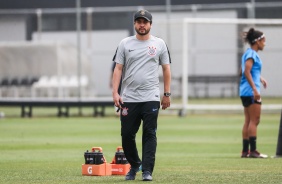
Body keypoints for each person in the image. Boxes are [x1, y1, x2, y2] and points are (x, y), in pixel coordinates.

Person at [112, 9, 171, 181]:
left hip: (151, 97)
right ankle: (135, 164)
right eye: (139, 21)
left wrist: (166, 94)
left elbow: (166, 69)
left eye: (145, 22)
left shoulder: (159, 44)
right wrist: (115, 92)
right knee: (127, 134)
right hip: (129, 98)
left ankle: (147, 170)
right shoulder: (125, 43)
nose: (142, 25)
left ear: (150, 24)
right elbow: (118, 69)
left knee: (149, 133)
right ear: (134, 24)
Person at [239, 28, 268, 158]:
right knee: (255, 120)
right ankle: (253, 151)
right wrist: (255, 89)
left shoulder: (248, 53)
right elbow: (246, 71)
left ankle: (245, 151)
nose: (265, 43)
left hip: (244, 91)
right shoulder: (252, 54)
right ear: (257, 42)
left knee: (248, 120)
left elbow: (243, 70)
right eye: (263, 41)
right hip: (251, 91)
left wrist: (260, 79)